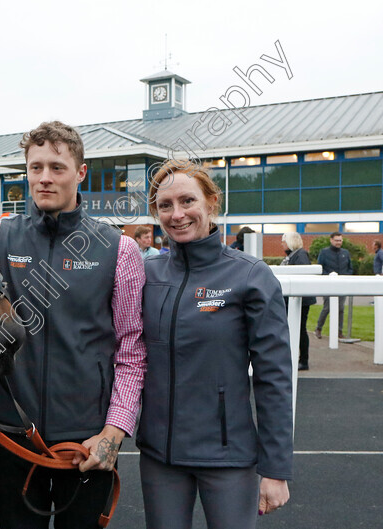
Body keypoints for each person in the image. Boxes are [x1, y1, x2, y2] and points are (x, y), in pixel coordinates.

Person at [0, 121, 147, 528]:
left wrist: (115, 431)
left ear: (81, 172)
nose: (44, 178)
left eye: (57, 167)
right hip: (10, 434)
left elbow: (132, 350)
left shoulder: (119, 250)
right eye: (35, 167)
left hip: (87, 441)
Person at [139, 159, 292, 529]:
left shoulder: (251, 276)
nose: (177, 215)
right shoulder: (147, 274)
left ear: (211, 201)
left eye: (187, 201)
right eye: (165, 205)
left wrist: (275, 468)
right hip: (161, 458)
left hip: (228, 457)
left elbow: (274, 377)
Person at [281, 231, 316, 370]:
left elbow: (302, 275)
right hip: (295, 299)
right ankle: (298, 357)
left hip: (300, 299)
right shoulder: (294, 255)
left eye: (284, 241)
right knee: (298, 329)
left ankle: (303, 360)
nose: (282, 244)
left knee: (300, 329)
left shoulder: (299, 255)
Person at [314, 232, 353, 340]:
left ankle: (339, 331)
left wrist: (346, 276)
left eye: (340, 240)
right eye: (336, 240)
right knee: (327, 308)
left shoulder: (345, 253)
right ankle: (318, 328)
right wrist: (329, 276)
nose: (338, 242)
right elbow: (320, 268)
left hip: (342, 284)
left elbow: (350, 268)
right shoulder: (324, 252)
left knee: (340, 308)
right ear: (331, 240)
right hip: (329, 284)